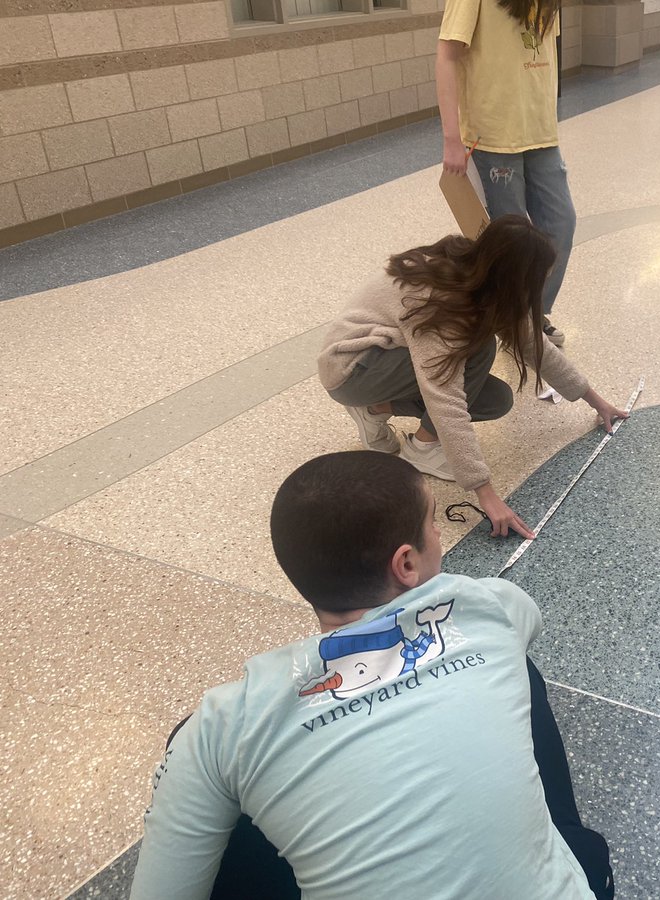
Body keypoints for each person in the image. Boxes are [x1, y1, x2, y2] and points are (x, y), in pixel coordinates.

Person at [130, 451, 615, 900]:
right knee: (518, 670)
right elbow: (523, 624)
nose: (441, 535)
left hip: (238, 751)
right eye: (433, 523)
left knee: (226, 778)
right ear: (405, 562)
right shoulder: (491, 607)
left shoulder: (222, 725)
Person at [318, 215, 628, 538]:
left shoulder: (484, 273)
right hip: (351, 368)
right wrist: (486, 493)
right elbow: (444, 399)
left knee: (497, 400)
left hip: (384, 361)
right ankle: (422, 447)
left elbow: (535, 345)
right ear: (514, 279)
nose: (540, 290)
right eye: (537, 281)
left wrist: (596, 401)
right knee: (479, 349)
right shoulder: (443, 305)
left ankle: (376, 408)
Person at [436, 0, 573, 346]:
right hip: (493, 139)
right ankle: (514, 324)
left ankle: (530, 313)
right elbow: (446, 55)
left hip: (541, 135)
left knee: (561, 224)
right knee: (508, 246)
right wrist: (452, 139)